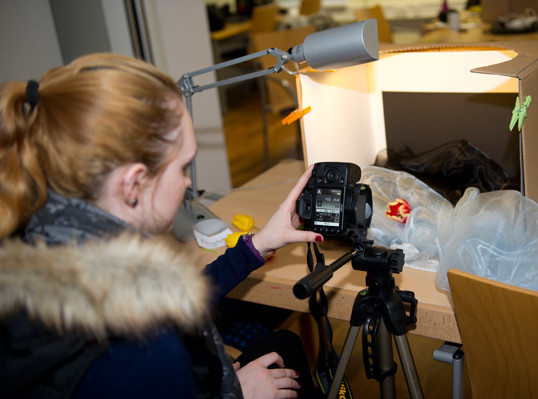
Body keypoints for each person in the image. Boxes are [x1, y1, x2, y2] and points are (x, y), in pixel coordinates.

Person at [0, 53, 324, 398]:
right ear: (134, 184)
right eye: (183, 167)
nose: (187, 183)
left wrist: (257, 245)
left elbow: (165, 299)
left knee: (285, 345)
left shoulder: (39, 238)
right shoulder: (144, 352)